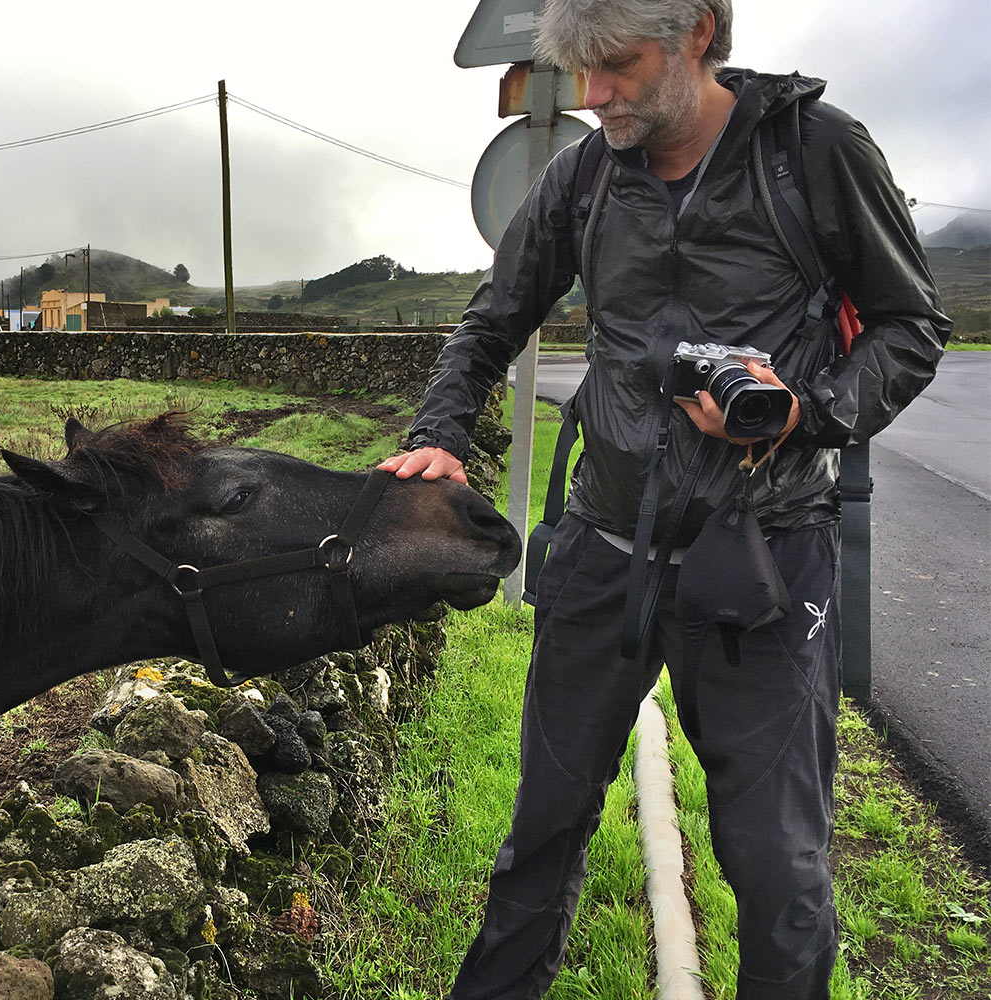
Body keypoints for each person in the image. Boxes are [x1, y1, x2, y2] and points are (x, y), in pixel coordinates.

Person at [378, 1, 951, 997]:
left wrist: (801, 413)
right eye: (580, 71)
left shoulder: (813, 152)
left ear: (696, 30)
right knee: (540, 837)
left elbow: (910, 326)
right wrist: (436, 437)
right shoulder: (584, 176)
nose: (593, 97)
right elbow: (490, 322)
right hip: (603, 550)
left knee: (782, 876)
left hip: (765, 557)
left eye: (617, 66)